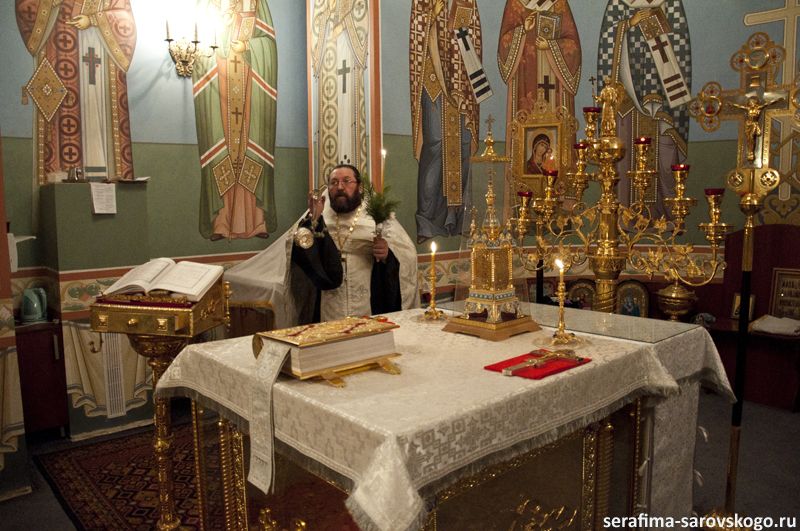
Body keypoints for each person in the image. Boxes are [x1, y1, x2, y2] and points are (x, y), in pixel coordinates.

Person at [225, 164, 419, 327]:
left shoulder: (376, 217)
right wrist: (313, 222)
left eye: (347, 181)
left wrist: (386, 255)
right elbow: (298, 247)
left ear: (359, 187)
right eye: (334, 182)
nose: (340, 187)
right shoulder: (319, 216)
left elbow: (406, 255)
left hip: (367, 299)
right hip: (328, 301)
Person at [15, 0, 137, 184]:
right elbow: (26, 7)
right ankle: (68, 175)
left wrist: (93, 19)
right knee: (66, 111)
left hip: (100, 54)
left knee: (98, 107)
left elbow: (123, 15)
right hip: (60, 44)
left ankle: (102, 174)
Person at [598, 0, 692, 218]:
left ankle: (663, 216)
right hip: (628, 95)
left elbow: (680, 43)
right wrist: (629, 23)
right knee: (622, 156)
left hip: (662, 91)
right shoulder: (618, 3)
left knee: (665, 151)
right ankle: (624, 217)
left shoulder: (671, 3)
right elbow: (607, 40)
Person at [192, 0, 277, 241]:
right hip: (219, 87)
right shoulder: (209, 4)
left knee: (253, 150)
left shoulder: (256, 3)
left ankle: (257, 222)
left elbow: (269, 44)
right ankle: (220, 222)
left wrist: (247, 46)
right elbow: (200, 47)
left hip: (250, 87)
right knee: (220, 150)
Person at [409, 0, 483, 243]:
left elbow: (473, 39)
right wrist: (433, 15)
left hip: (461, 84)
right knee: (435, 143)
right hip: (433, 81)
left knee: (463, 145)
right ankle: (428, 220)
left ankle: (460, 218)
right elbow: (418, 30)